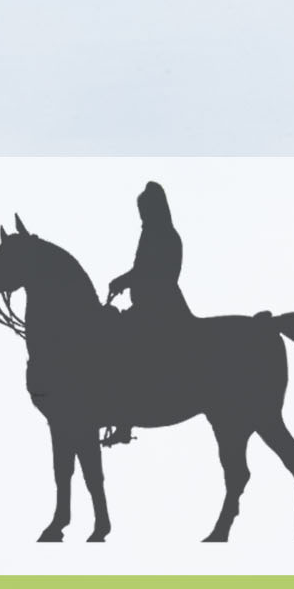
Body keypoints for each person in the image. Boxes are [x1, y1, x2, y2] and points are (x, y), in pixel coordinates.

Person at [98, 180, 190, 444]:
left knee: (123, 350)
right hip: (148, 305)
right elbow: (141, 269)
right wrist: (125, 280)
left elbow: (154, 272)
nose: (142, 218)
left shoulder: (164, 236)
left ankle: (124, 421)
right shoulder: (153, 234)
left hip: (160, 308)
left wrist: (124, 280)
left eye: (145, 212)